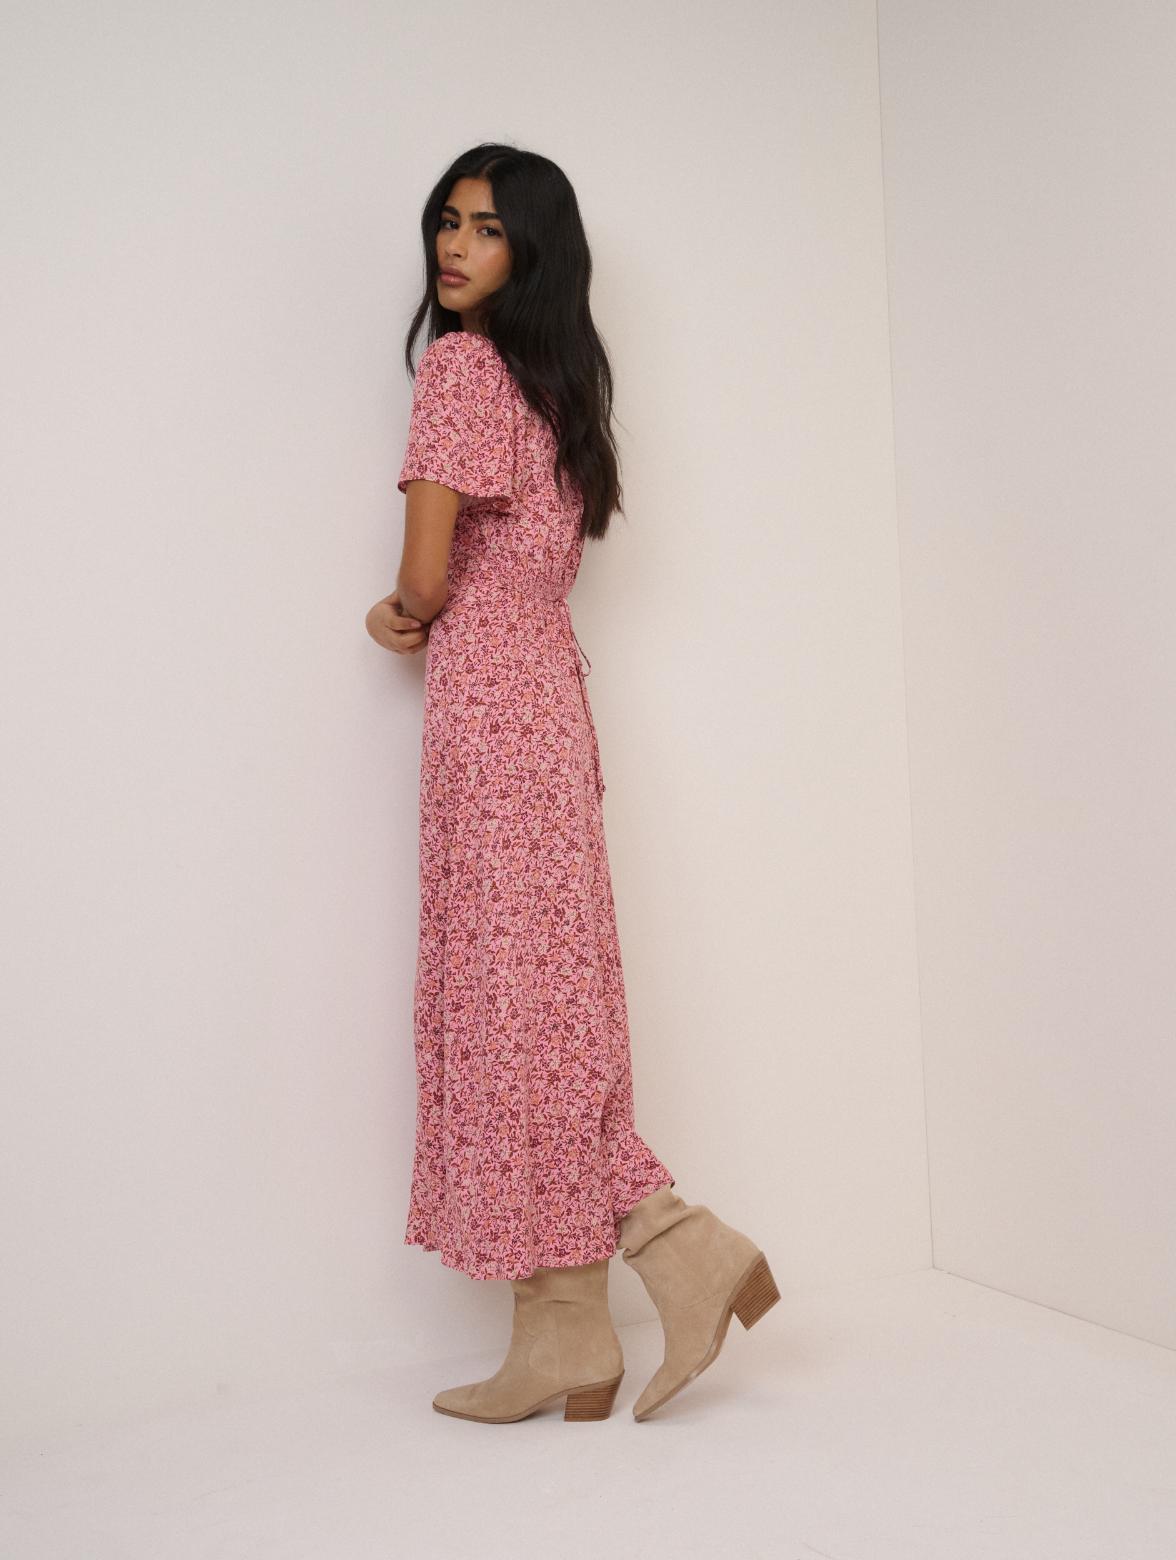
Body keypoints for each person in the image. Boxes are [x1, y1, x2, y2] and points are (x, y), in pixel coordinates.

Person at [365, 144, 779, 1423]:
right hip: (550, 700)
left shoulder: (460, 368)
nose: (456, 246)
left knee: (510, 1005)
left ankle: (675, 1248)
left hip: (491, 709)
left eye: (487, 228)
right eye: (448, 221)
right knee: (544, 1003)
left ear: (531, 250)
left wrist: (395, 612)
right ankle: (570, 1335)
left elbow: (426, 575)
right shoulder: (555, 388)